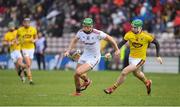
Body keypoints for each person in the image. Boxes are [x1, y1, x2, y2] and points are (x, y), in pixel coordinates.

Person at [104, 19, 163, 95]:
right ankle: (147, 82)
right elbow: (121, 43)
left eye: (135, 27)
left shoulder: (147, 36)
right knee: (136, 73)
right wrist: (111, 53)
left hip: (140, 59)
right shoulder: (129, 34)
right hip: (131, 58)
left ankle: (112, 88)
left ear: (140, 28)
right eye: (132, 27)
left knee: (124, 72)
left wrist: (158, 56)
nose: (133, 29)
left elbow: (157, 43)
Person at [64, 18, 120, 96]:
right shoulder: (80, 32)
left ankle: (84, 84)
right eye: (84, 26)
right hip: (85, 55)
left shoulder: (97, 33)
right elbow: (74, 41)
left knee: (77, 73)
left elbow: (110, 39)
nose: (85, 28)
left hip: (94, 57)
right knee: (78, 75)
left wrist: (116, 49)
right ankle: (79, 91)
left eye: (87, 26)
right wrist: (68, 51)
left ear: (91, 26)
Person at [17, 18, 38, 85]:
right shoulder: (20, 30)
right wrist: (17, 41)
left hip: (32, 49)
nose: (27, 24)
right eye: (25, 22)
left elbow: (36, 38)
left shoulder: (33, 29)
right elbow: (16, 38)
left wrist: (34, 41)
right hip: (24, 48)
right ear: (23, 23)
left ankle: (22, 69)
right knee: (28, 64)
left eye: (28, 22)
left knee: (29, 66)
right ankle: (30, 79)